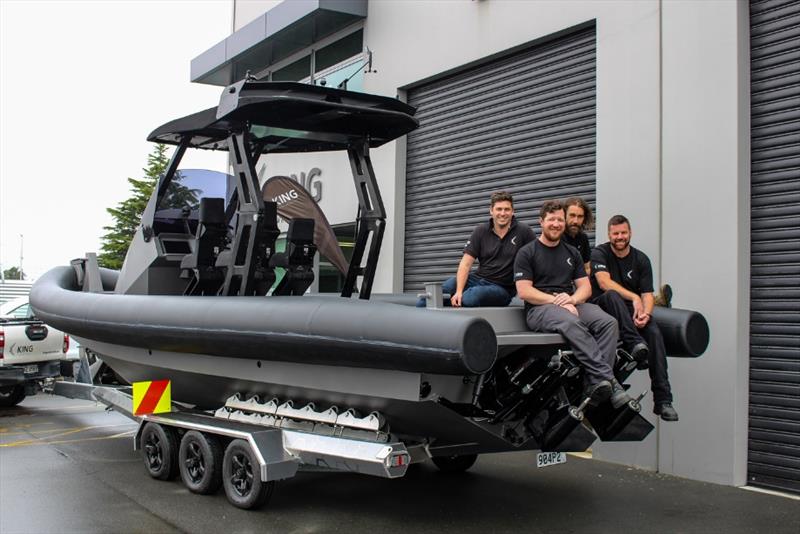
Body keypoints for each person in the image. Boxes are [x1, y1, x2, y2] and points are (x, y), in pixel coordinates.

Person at [514, 200, 631, 408]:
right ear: (541, 222)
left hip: (570, 303)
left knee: (608, 322)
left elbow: (585, 287)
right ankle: (610, 380)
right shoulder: (527, 252)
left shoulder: (572, 253)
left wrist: (573, 299)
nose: (556, 224)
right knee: (570, 321)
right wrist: (558, 302)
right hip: (539, 309)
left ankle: (594, 383)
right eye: (551, 220)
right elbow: (524, 291)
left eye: (560, 220)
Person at [589, 215, 678, 422]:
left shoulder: (641, 259)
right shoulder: (600, 253)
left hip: (632, 310)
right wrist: (633, 297)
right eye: (615, 233)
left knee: (655, 333)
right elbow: (604, 283)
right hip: (604, 307)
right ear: (609, 234)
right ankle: (635, 343)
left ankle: (663, 400)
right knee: (612, 296)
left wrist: (645, 313)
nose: (620, 237)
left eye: (623, 233)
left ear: (630, 233)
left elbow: (647, 294)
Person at [418, 191, 535, 307]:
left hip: (502, 288)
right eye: (499, 209)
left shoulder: (523, 232)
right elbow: (465, 263)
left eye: (507, 209)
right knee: (433, 295)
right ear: (491, 211)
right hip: (477, 279)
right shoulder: (480, 231)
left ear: (513, 211)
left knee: (471, 298)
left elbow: (536, 260)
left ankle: (451, 301)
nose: (503, 213)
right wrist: (458, 291)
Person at [561, 197, 594, 274]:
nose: (575, 221)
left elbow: (587, 268)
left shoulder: (583, 238)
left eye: (580, 216)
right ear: (564, 215)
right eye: (572, 215)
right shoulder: (557, 237)